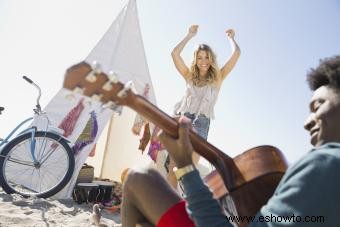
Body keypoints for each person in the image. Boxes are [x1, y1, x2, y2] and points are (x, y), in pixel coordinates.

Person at [94, 55, 339, 227]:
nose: (308, 121)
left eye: (318, 106)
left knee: (140, 177)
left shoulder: (327, 162)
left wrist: (185, 166)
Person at [163, 25, 241, 188]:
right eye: (200, 57)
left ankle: (185, 198)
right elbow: (174, 54)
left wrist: (231, 38)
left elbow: (236, 54)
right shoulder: (189, 76)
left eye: (206, 57)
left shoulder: (218, 78)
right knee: (173, 168)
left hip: (201, 124)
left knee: (187, 170)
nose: (203, 61)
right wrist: (189, 35)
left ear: (211, 59)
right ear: (195, 59)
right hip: (184, 119)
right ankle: (170, 207)